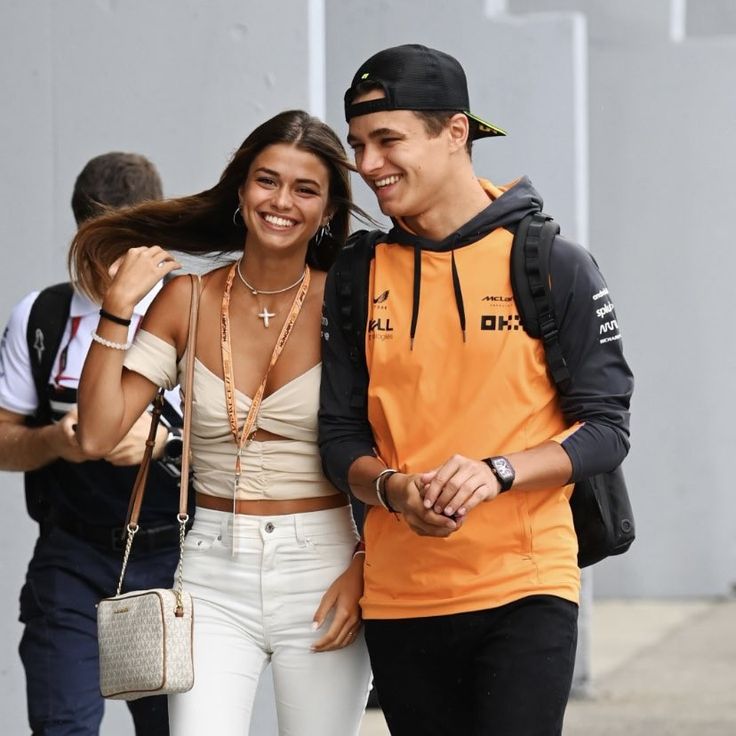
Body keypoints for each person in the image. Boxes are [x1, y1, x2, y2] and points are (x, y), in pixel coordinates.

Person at [319, 44, 635, 736]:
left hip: (526, 586)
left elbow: (607, 430)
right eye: (359, 145)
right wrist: (394, 489)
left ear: (455, 132)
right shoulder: (355, 276)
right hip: (401, 597)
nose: (368, 165)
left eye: (387, 140)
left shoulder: (552, 263)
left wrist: (499, 473)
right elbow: (339, 438)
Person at [70, 110, 373, 736]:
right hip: (210, 569)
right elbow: (98, 434)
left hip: (324, 564)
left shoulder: (348, 302)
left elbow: (397, 440)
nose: (281, 201)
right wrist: (117, 310)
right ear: (240, 191)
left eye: (305, 189)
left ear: (326, 210)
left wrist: (365, 565)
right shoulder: (189, 298)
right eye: (267, 181)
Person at [0, 152, 185, 735]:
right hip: (71, 555)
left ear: (153, 233)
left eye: (125, 244)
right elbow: (4, 441)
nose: (111, 264)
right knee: (63, 727)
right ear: (78, 232)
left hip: (175, 558)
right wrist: (57, 440)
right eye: (96, 244)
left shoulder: (193, 311)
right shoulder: (43, 315)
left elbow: (257, 444)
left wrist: (165, 443)